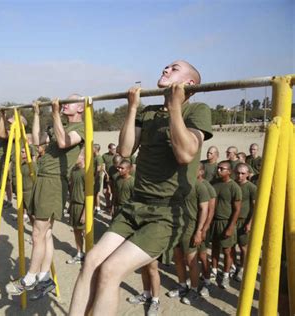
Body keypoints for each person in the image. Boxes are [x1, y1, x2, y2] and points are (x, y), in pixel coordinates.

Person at [69, 60, 213, 316]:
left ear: (189, 83)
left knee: (110, 270)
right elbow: (125, 150)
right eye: (166, 67)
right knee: (91, 261)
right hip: (135, 205)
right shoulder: (149, 113)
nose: (165, 69)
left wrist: (175, 107)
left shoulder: (197, 110)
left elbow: (185, 154)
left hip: (166, 214)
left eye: (174, 68)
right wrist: (133, 108)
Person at [6, 95, 85, 301]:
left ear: (81, 108)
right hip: (42, 180)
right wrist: (37, 115)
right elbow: (36, 138)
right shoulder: (62, 126)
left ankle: (30, 278)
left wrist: (57, 113)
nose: (66, 103)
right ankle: (44, 277)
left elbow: (62, 142)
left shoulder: (82, 129)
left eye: (71, 102)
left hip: (53, 182)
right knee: (46, 234)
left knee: (37, 234)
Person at [166, 163, 209, 305]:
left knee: (191, 260)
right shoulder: (178, 184)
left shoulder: (200, 186)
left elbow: (204, 210)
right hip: (176, 226)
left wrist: (199, 231)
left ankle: (195, 290)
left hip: (190, 227)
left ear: (200, 172)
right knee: (177, 258)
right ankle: (183, 285)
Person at [210, 161, 242, 289]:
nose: (218, 170)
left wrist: (230, 227)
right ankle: (214, 271)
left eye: (222, 169)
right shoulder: (214, 184)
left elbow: (237, 210)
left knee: (227, 251)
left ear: (229, 171)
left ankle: (226, 275)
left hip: (226, 222)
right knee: (215, 248)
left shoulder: (234, 187)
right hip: (214, 222)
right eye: (218, 168)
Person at [232, 162, 257, 282]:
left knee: (243, 247)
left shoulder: (251, 188)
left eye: (243, 173)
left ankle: (242, 268)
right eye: (238, 173)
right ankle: (233, 265)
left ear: (247, 174)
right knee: (229, 246)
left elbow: (255, 207)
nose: (240, 176)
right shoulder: (232, 185)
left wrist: (249, 223)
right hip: (231, 220)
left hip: (243, 221)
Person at [66, 152, 86, 264]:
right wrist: (70, 206)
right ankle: (79, 253)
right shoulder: (74, 171)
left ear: (83, 157)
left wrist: (85, 213)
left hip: (82, 205)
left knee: (85, 231)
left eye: (77, 156)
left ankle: (90, 256)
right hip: (74, 204)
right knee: (76, 230)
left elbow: (89, 194)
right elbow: (72, 189)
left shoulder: (85, 173)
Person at [102, 143, 117, 209]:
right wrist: (106, 174)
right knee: (105, 192)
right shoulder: (104, 156)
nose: (114, 150)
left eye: (115, 148)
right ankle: (108, 205)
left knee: (113, 192)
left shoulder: (118, 155)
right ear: (109, 149)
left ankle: (113, 206)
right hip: (107, 176)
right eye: (113, 149)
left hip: (114, 176)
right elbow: (103, 166)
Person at [93, 144, 105, 213]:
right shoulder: (94, 157)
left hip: (96, 179)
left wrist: (95, 179)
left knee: (96, 193)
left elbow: (98, 169)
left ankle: (98, 208)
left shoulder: (99, 158)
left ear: (96, 149)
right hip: (94, 178)